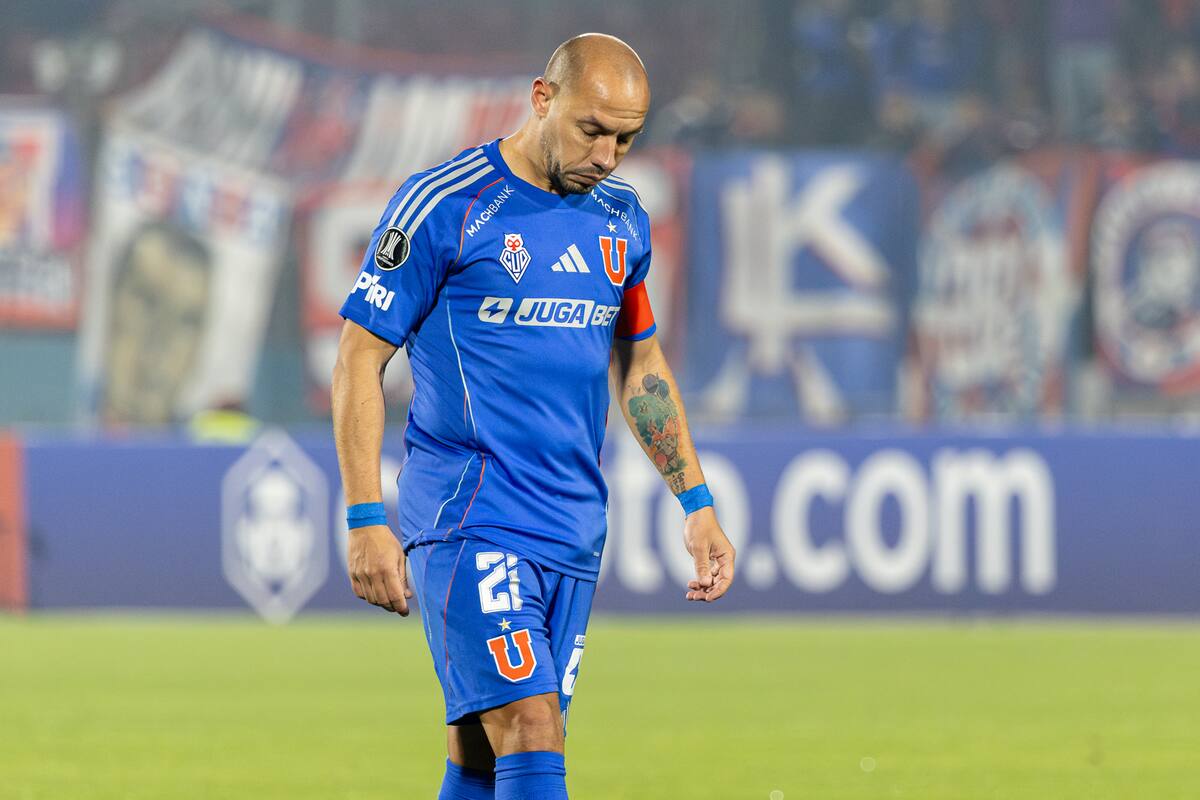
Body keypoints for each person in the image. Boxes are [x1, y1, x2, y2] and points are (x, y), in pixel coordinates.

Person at [331, 33, 735, 800]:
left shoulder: (622, 220)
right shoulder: (444, 205)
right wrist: (363, 515)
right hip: (469, 515)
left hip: (573, 527)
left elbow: (640, 363)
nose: (609, 155)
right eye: (593, 131)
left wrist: (697, 503)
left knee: (485, 757)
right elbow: (358, 357)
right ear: (542, 99)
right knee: (531, 726)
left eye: (627, 138)